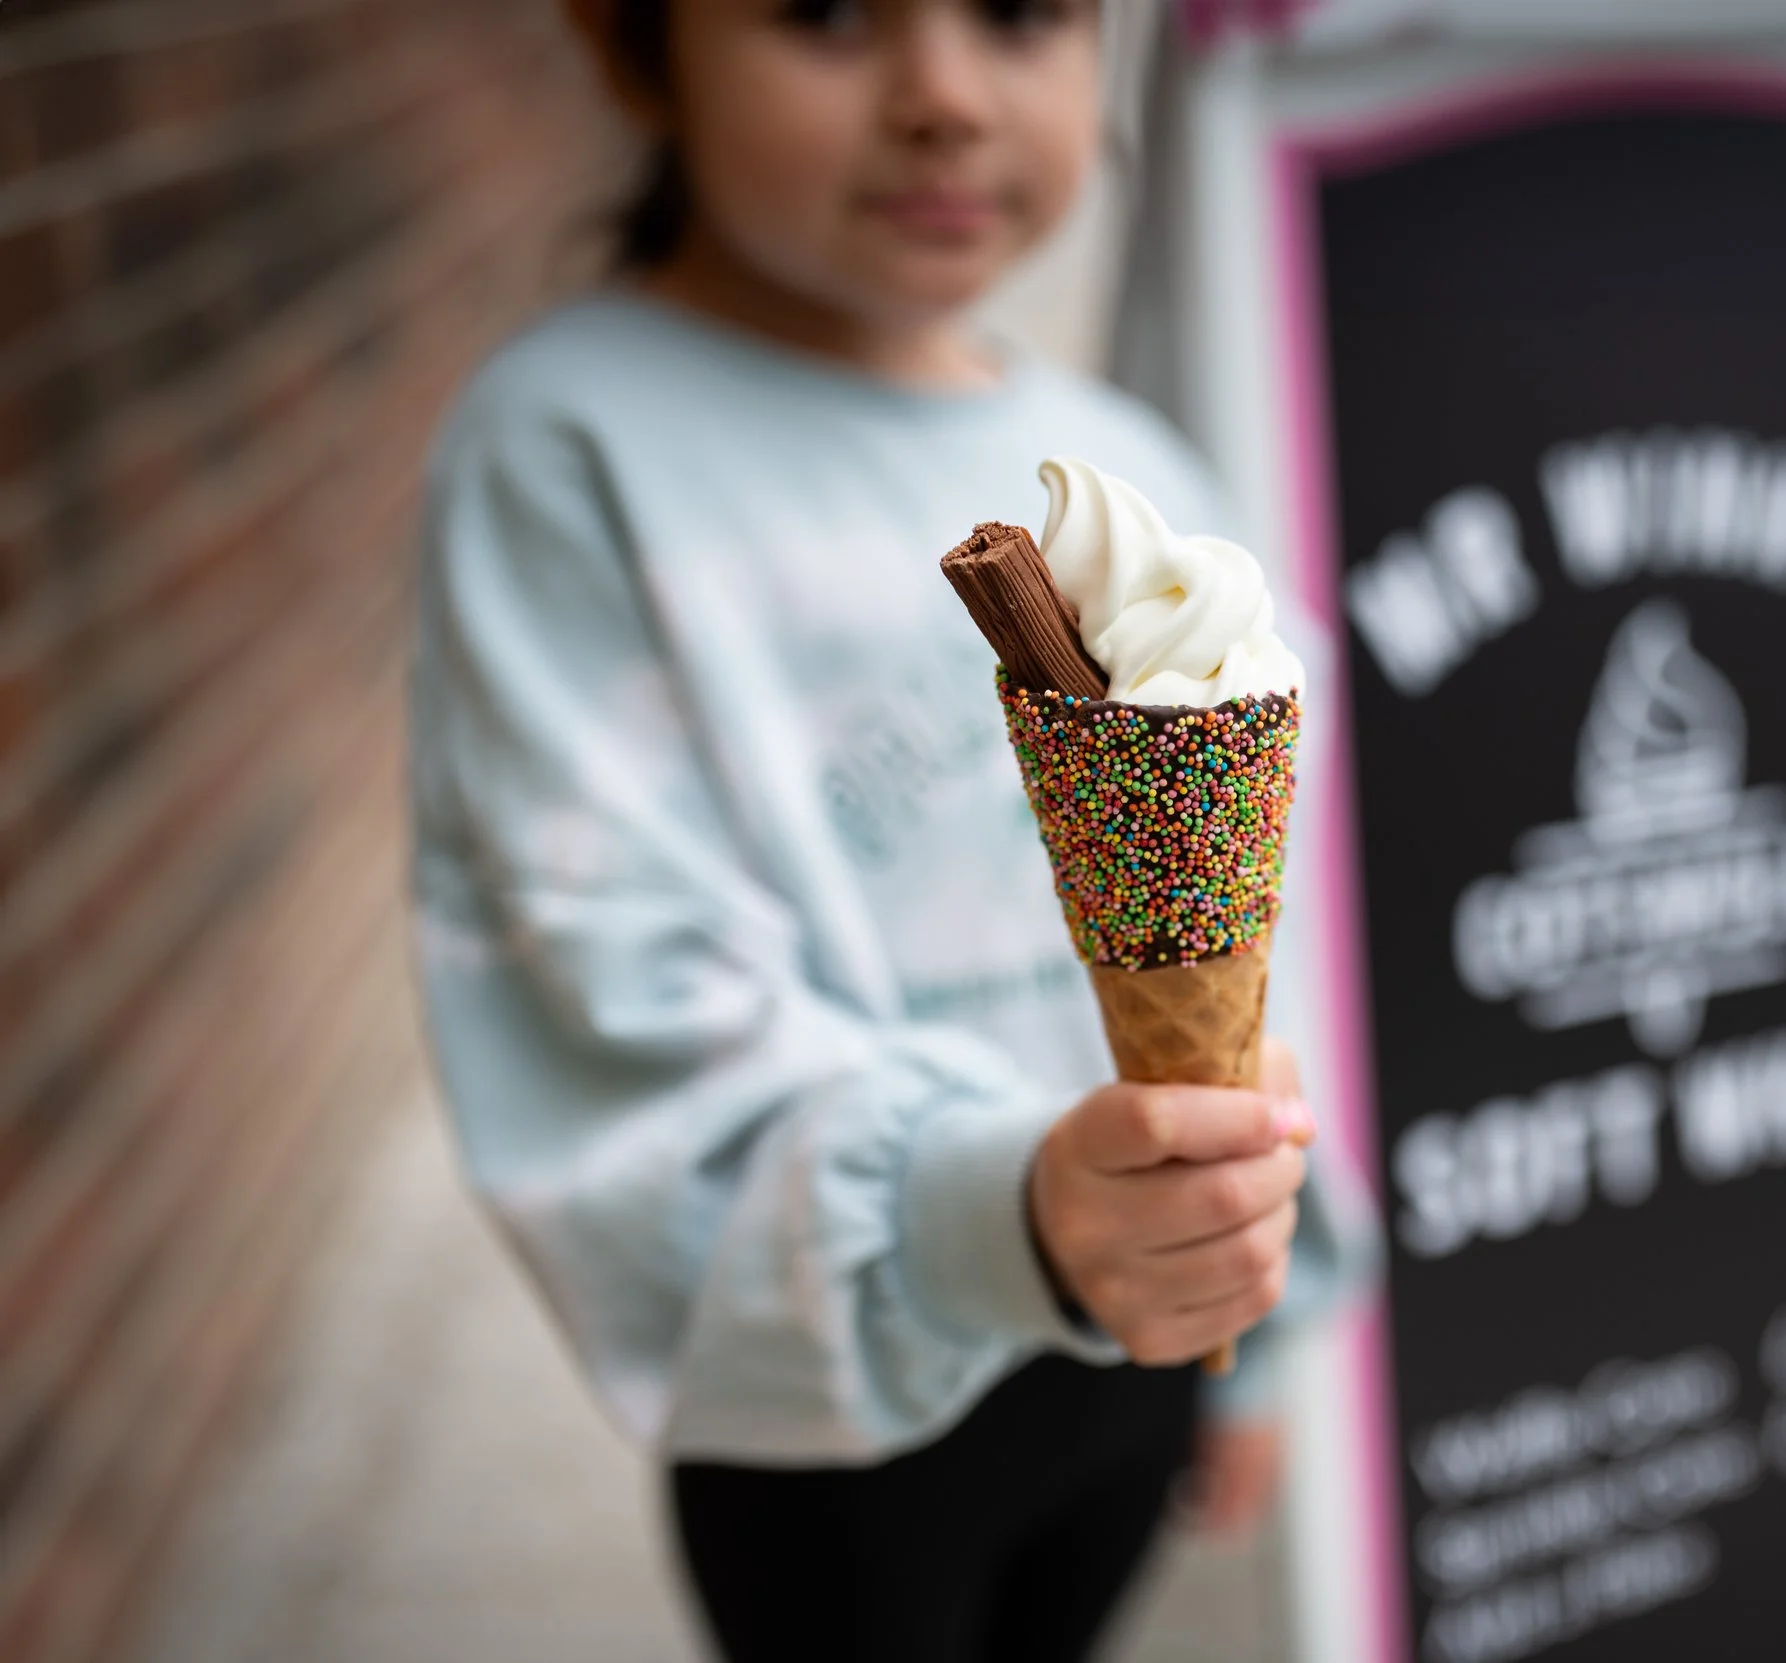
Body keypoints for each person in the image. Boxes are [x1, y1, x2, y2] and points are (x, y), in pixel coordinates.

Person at [406, 0, 1363, 1657]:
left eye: (1018, 14)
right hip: (830, 1379)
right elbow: (619, 982)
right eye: (829, 14)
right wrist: (1010, 1208)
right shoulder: (571, 451)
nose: (942, 95)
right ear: (638, 50)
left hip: (1142, 1357)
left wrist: (1256, 1336)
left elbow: (1270, 955)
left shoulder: (1124, 465)